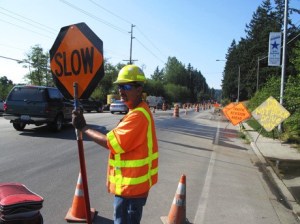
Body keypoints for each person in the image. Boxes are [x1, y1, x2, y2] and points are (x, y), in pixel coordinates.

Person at [72, 64, 159, 224]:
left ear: (139, 89)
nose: (121, 91)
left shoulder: (138, 116)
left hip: (131, 190)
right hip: (131, 188)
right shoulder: (137, 111)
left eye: (126, 86)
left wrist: (84, 128)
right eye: (120, 86)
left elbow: (111, 143)